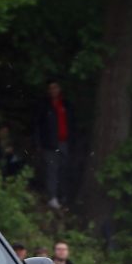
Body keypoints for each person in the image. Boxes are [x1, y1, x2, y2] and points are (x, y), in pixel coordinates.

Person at [34, 80, 75, 210]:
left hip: (64, 142)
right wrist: (39, 143)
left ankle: (62, 196)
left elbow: (71, 123)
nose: (53, 90)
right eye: (51, 88)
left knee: (63, 169)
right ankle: (52, 197)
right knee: (52, 170)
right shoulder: (45, 105)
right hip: (50, 143)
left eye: (55, 87)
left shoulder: (66, 104)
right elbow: (38, 125)